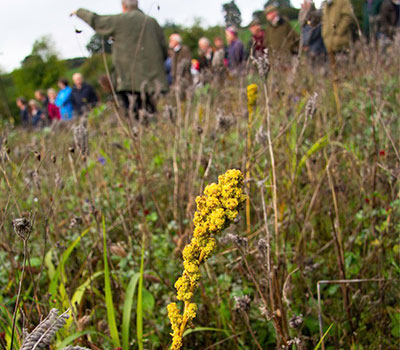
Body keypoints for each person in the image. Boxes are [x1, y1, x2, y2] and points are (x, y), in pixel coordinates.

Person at [72, 0, 168, 118]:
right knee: (155, 113)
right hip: (154, 80)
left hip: (128, 79)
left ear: (124, 6)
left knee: (135, 116)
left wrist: (79, 12)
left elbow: (98, 22)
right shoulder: (152, 22)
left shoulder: (120, 20)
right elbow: (164, 49)